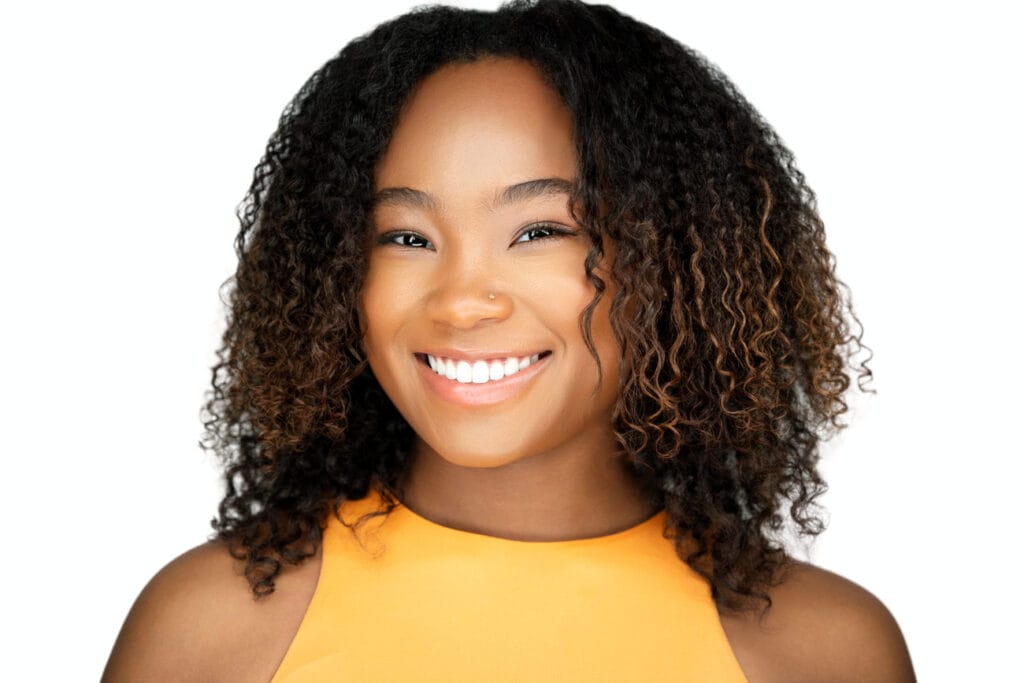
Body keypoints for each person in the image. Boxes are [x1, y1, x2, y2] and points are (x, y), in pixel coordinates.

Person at [103, 1, 915, 681]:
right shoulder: (211, 631)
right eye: (406, 236)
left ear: (676, 257)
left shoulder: (824, 651)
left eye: (539, 231)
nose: (461, 301)